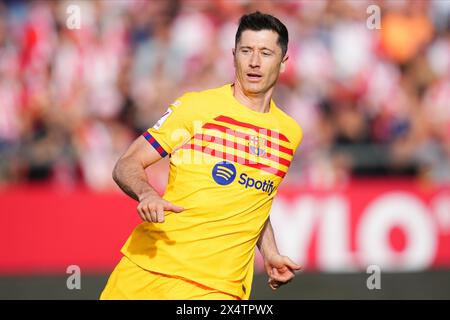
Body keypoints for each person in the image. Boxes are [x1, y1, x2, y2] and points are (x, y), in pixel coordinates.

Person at [100, 11, 303, 300]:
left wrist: (269, 251)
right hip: (147, 271)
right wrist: (146, 193)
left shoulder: (289, 134)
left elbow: (254, 200)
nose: (254, 62)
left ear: (283, 62)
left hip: (217, 289)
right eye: (246, 51)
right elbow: (127, 163)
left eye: (266, 52)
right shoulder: (195, 108)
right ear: (234, 55)